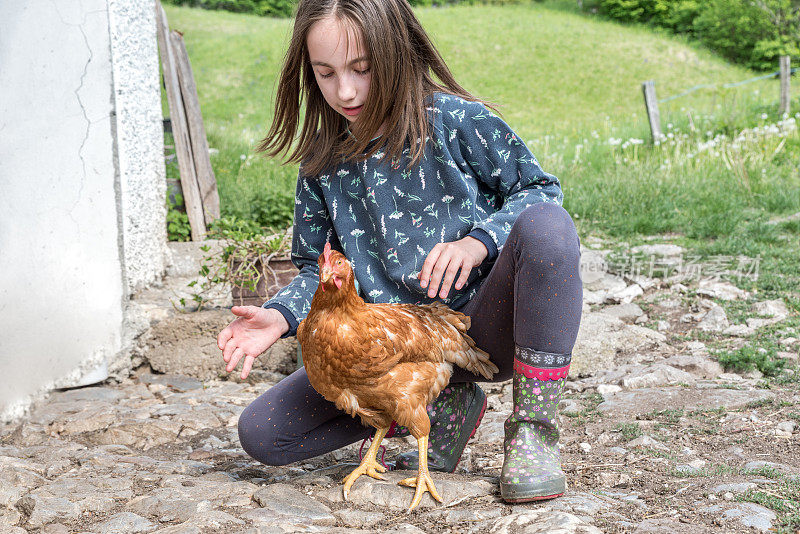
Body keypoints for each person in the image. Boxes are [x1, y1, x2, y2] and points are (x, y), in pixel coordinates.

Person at [217, 0, 583, 503]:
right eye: (326, 74)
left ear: (396, 54)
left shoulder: (459, 121)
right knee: (265, 433)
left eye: (361, 69)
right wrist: (281, 315)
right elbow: (314, 268)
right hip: (389, 352)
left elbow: (540, 191)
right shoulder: (322, 165)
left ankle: (533, 433)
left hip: (478, 330)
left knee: (548, 227)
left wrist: (478, 242)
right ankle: (443, 405)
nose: (345, 91)